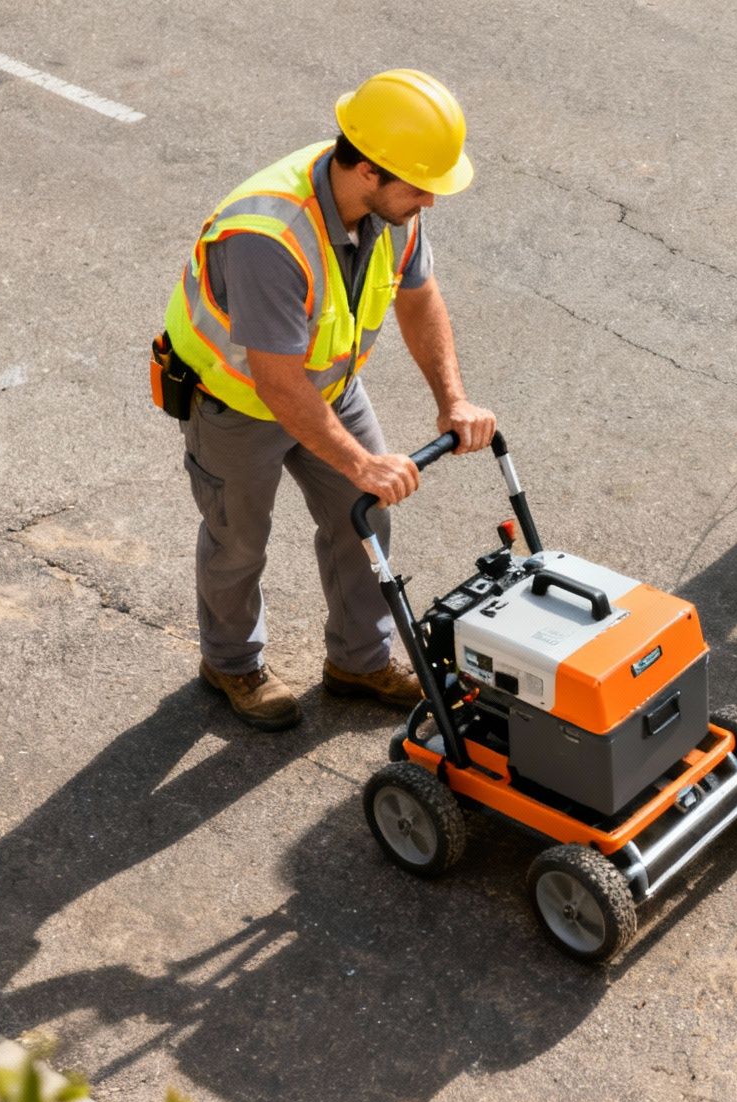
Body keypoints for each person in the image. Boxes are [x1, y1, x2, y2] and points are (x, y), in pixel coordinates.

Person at [160, 69, 495, 731]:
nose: (430, 199)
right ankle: (231, 663)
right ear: (368, 170)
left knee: (362, 518)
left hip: (330, 389)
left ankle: (358, 660)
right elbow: (278, 383)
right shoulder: (269, 237)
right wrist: (359, 461)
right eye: (420, 185)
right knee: (238, 543)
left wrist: (452, 401)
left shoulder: (392, 208)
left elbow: (418, 297)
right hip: (238, 408)